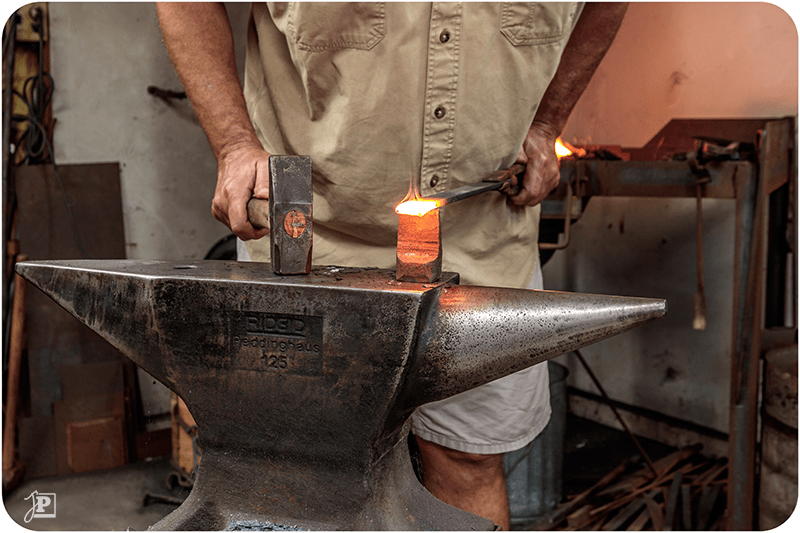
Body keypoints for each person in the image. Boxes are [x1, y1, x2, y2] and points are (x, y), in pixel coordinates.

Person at [156, 3, 628, 529]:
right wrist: (234, 142)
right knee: (306, 471)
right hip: (311, 243)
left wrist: (547, 122)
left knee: (466, 458)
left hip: (482, 235)